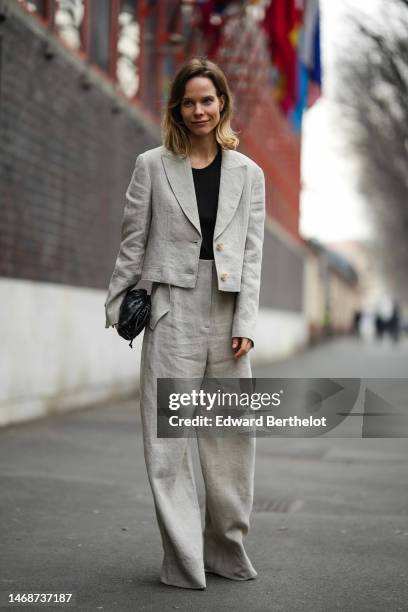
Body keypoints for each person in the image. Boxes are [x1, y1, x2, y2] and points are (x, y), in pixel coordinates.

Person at [104, 57, 265, 590]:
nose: (199, 110)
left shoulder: (250, 174)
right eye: (189, 101)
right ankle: (184, 560)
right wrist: (120, 302)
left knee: (231, 437)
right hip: (172, 311)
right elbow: (133, 240)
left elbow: (252, 254)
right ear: (178, 107)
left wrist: (245, 319)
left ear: (222, 104)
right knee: (168, 442)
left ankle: (226, 550)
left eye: (208, 100)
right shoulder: (152, 165)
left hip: (226, 314)